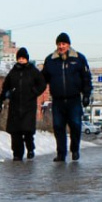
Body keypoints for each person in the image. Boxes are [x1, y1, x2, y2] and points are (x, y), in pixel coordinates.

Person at [41, 32, 92, 162]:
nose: (61, 46)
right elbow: (43, 79)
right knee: (58, 127)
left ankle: (74, 150)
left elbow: (86, 78)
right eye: (59, 44)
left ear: (68, 45)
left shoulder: (79, 59)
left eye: (63, 44)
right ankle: (61, 154)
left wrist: (86, 95)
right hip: (57, 100)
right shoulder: (50, 60)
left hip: (74, 99)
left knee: (75, 125)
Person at [0, 47, 45, 160]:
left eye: (23, 58)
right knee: (15, 132)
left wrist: (34, 92)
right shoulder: (13, 72)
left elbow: (42, 84)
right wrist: (0, 100)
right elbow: (5, 87)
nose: (21, 60)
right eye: (19, 58)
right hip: (15, 106)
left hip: (29, 106)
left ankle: (30, 149)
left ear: (27, 59)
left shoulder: (33, 71)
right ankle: (17, 154)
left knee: (27, 131)